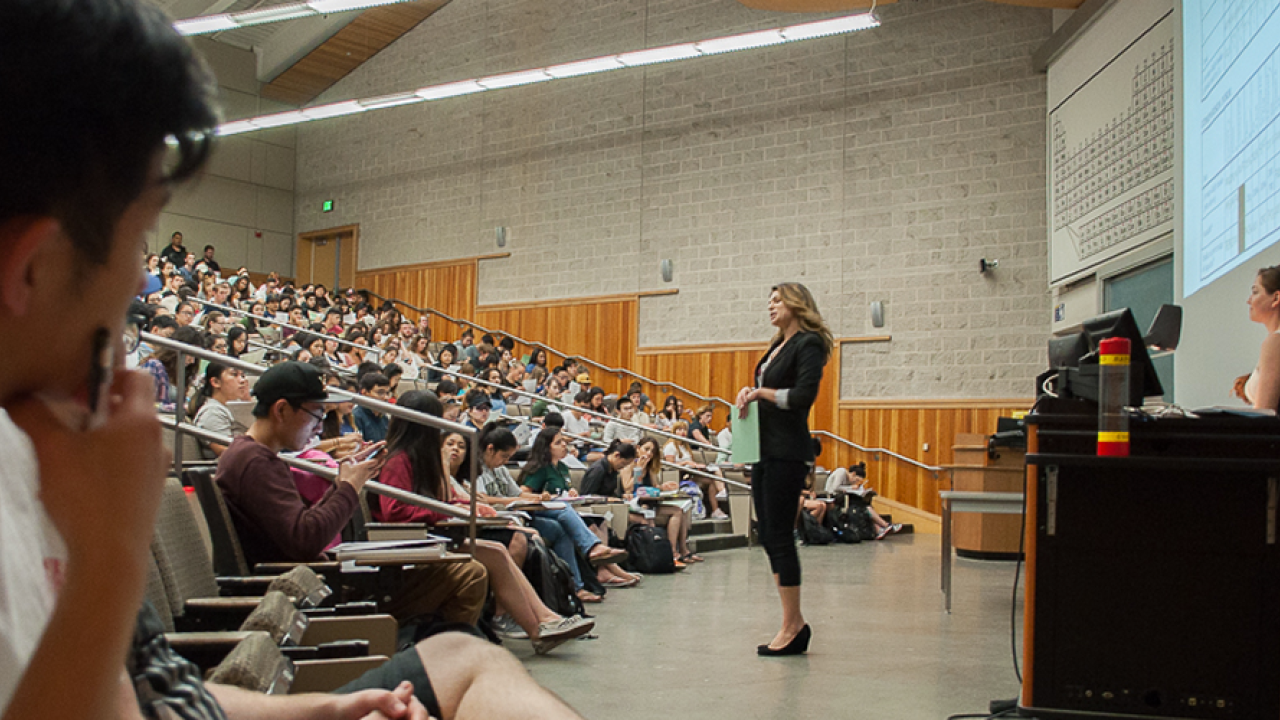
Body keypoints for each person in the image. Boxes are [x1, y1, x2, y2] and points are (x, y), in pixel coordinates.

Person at [374, 392, 594, 653]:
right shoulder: (398, 460)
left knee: (498, 550)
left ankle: (544, 622)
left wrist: (460, 506)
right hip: (413, 542)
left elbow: (436, 501)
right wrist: (444, 511)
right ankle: (541, 625)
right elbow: (395, 512)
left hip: (431, 535)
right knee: (495, 550)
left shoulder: (417, 458)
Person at [735, 282, 832, 656]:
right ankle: (792, 621)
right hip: (764, 449)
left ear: (797, 303)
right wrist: (751, 393)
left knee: (778, 535)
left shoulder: (808, 343)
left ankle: (794, 624)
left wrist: (760, 393)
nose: (770, 306)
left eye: (777, 300)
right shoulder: (777, 345)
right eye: (769, 300)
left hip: (786, 451)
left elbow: (803, 396)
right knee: (770, 536)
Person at [190, 361, 251, 458]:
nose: (242, 380)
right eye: (234, 374)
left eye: (242, 375)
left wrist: (248, 403)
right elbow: (231, 454)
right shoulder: (212, 412)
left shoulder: (231, 407)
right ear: (215, 382)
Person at [1240, 266, 1280, 411]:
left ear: (1276, 298)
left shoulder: (1276, 342)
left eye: (1255, 292)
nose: (1249, 301)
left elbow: (1264, 414)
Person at [353, 372, 392, 442]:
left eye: (387, 393)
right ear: (364, 392)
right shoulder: (356, 417)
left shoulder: (384, 417)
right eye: (380, 393)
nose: (386, 397)